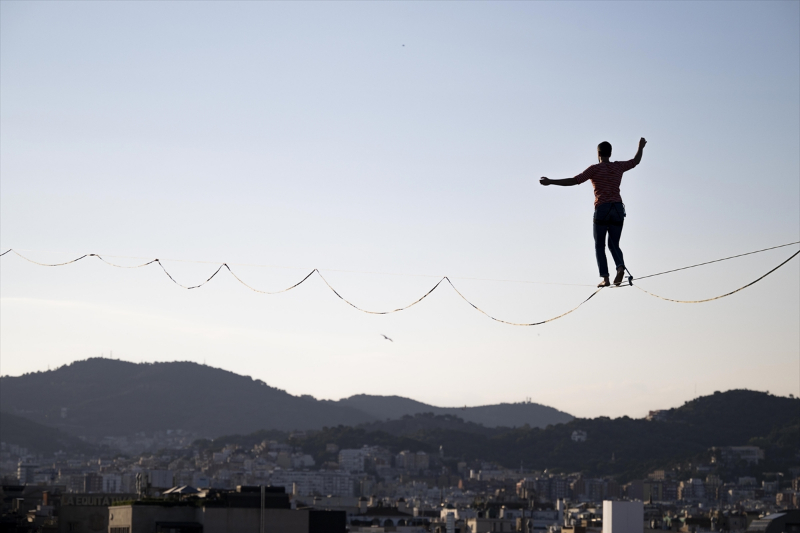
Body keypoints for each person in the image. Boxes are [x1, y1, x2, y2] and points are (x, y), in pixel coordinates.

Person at [540, 138, 647, 287]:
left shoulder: (594, 169)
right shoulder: (618, 167)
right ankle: (620, 267)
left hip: (602, 209)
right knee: (614, 244)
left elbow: (574, 181)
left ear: (598, 154)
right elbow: (636, 161)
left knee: (599, 245)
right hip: (617, 208)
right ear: (610, 153)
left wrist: (551, 181)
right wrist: (640, 147)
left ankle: (605, 278)